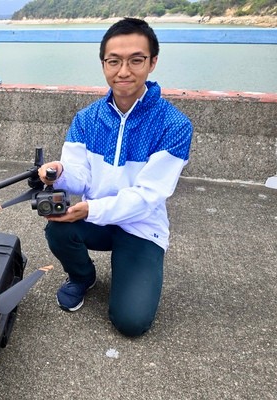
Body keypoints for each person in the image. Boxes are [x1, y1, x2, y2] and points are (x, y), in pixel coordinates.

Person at [38, 17, 193, 337]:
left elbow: (148, 196)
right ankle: (82, 276)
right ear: (103, 64)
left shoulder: (175, 126)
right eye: (114, 61)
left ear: (152, 62)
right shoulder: (86, 118)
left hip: (141, 226)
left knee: (131, 322)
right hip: (96, 219)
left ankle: (134, 267)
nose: (123, 71)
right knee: (58, 229)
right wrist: (59, 174)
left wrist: (91, 209)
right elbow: (80, 176)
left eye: (136, 60)